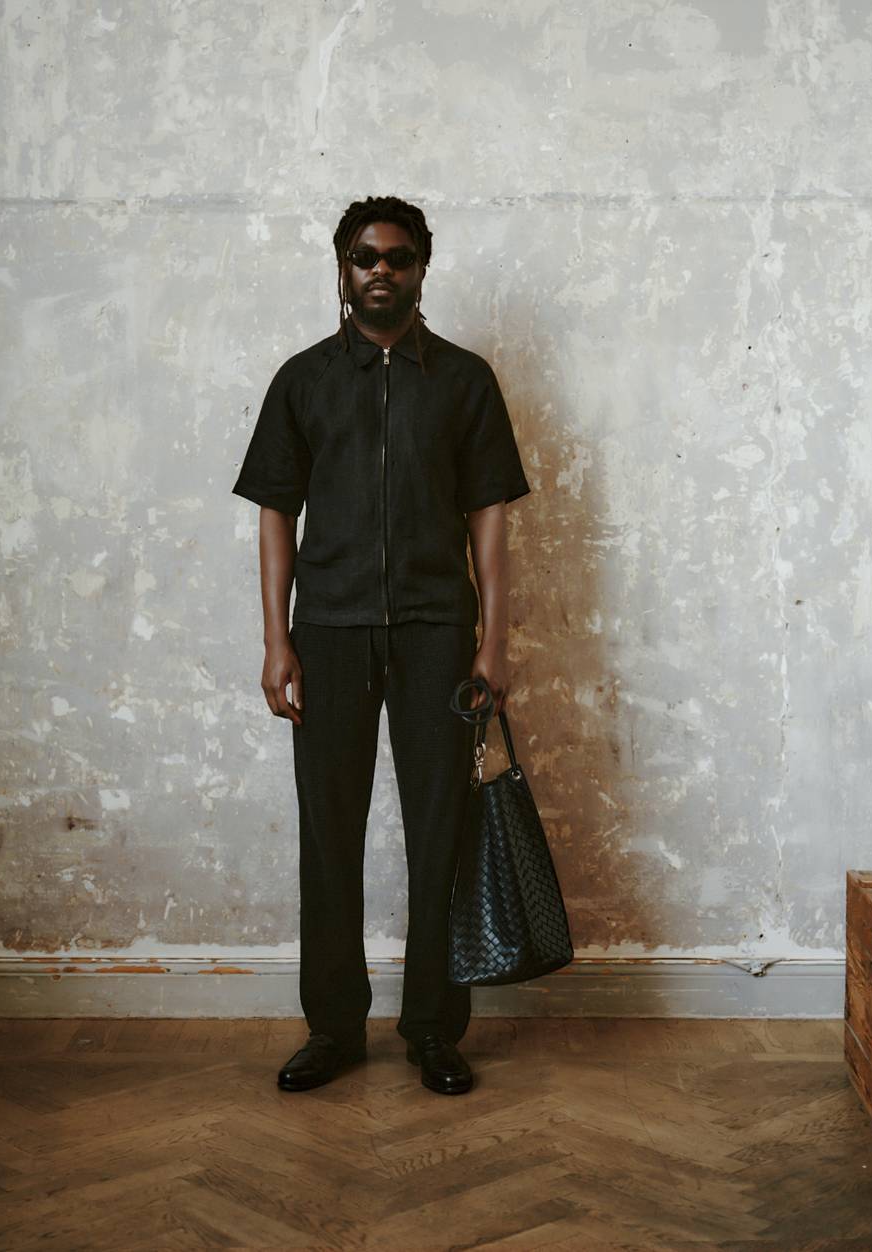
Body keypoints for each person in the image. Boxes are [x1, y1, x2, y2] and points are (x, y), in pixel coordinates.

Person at [232, 194, 531, 1095]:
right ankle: (333, 1027)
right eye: (365, 256)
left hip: (439, 633)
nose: (381, 271)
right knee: (330, 833)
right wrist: (277, 641)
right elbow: (276, 516)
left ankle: (435, 1029)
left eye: (398, 258)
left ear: (421, 268)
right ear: (342, 267)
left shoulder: (465, 382)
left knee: (441, 829)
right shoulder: (304, 381)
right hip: (327, 632)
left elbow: (489, 521)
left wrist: (493, 643)